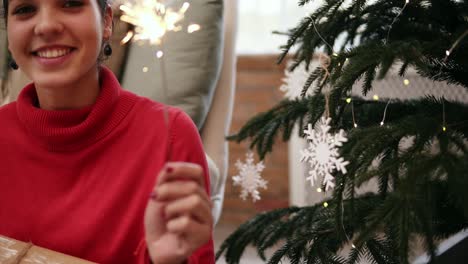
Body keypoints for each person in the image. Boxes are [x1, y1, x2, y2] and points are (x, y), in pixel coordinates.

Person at [0, 0, 215, 263]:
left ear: (106, 21)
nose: (46, 26)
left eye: (70, 3)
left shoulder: (169, 134)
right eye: (24, 10)